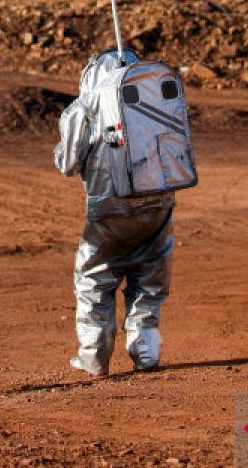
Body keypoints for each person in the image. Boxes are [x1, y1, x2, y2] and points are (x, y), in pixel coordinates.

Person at [53, 46, 174, 376]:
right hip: (158, 203)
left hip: (109, 207)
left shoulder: (83, 108)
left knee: (94, 278)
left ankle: (95, 357)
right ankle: (146, 350)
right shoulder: (154, 102)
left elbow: (67, 163)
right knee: (149, 276)